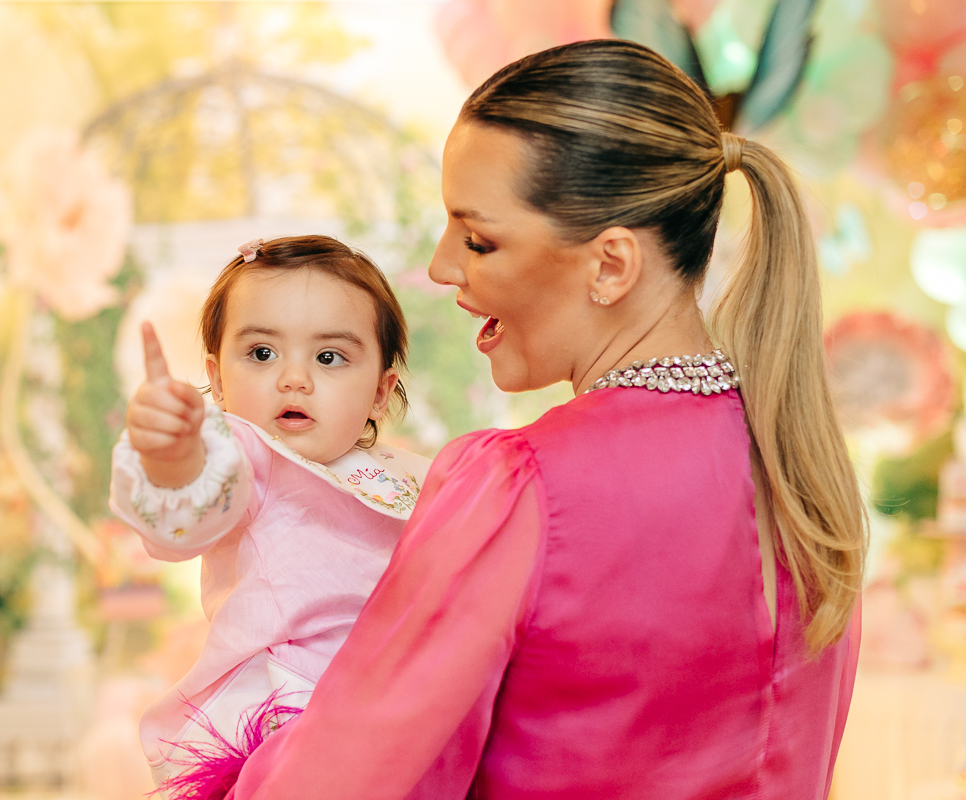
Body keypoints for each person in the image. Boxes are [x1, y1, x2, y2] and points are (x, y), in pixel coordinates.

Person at [228, 40, 866, 800]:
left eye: (479, 239)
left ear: (610, 265)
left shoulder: (519, 486)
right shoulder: (804, 478)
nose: (441, 266)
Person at [109, 235, 430, 792]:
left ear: (381, 391)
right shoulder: (245, 457)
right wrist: (172, 457)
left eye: (328, 357)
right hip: (284, 709)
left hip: (392, 705)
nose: (293, 379)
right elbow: (185, 515)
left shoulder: (412, 476)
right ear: (217, 380)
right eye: (262, 354)